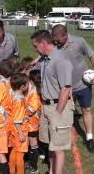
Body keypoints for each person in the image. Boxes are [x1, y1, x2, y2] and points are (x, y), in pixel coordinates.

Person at [52, 24, 94, 153]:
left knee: (86, 110)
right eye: (54, 40)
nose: (56, 42)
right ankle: (63, 137)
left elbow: (92, 55)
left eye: (58, 40)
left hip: (83, 84)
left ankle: (89, 139)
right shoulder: (54, 45)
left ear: (66, 35)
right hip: (65, 87)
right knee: (66, 111)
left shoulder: (79, 41)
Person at [31, 30, 74, 174]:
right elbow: (36, 62)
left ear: (43, 44)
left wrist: (57, 113)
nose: (35, 49)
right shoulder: (45, 58)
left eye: (36, 46)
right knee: (51, 145)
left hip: (59, 107)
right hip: (47, 106)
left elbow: (65, 89)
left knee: (59, 148)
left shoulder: (61, 60)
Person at [9, 73, 29, 174]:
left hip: (15, 130)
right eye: (27, 84)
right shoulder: (19, 101)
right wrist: (21, 133)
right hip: (20, 130)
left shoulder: (14, 96)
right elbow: (17, 119)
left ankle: (11, 171)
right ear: (22, 86)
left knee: (15, 150)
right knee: (20, 154)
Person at [26, 69, 42, 172]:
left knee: (33, 143)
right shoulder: (33, 90)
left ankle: (33, 166)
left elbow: (31, 110)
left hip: (32, 123)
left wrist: (20, 106)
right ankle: (30, 161)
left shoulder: (35, 93)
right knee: (31, 143)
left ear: (31, 80)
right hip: (30, 122)